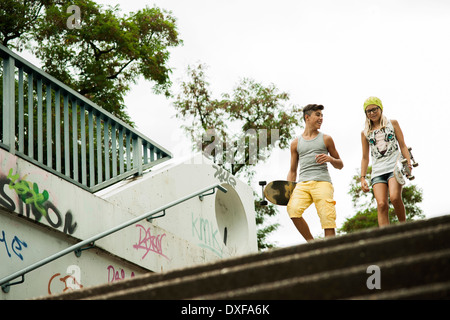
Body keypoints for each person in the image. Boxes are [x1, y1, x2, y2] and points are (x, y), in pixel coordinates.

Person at [287, 104, 343, 241]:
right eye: (318, 115)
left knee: (327, 219)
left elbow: (340, 164)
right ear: (307, 117)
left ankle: (329, 254)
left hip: (322, 182)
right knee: (293, 210)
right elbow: (292, 170)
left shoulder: (326, 139)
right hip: (303, 183)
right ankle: (312, 244)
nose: (321, 118)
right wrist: (288, 190)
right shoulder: (295, 143)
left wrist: (330, 159)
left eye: (322, 115)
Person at [360, 96, 411, 227]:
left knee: (394, 197)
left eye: (374, 109)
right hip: (377, 171)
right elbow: (365, 157)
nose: (372, 113)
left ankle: (404, 227)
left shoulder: (392, 123)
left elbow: (403, 145)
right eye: (368, 111)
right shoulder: (365, 132)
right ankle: (384, 235)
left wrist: (408, 163)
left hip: (394, 167)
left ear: (380, 108)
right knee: (381, 204)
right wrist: (362, 177)